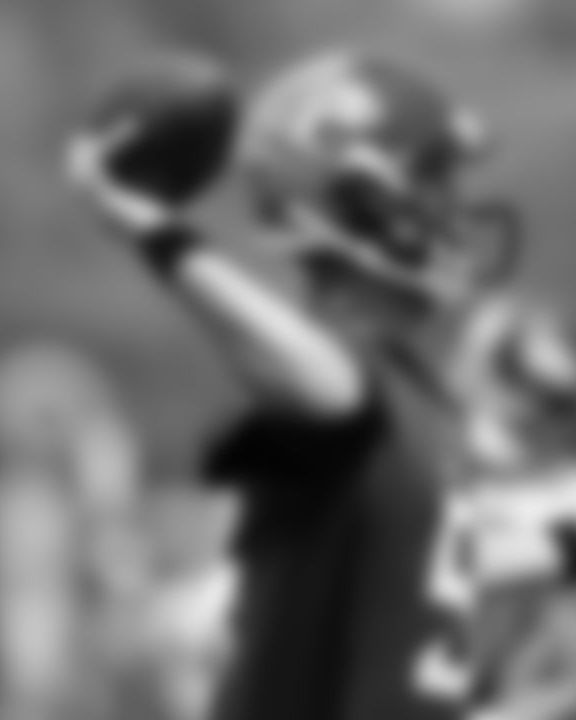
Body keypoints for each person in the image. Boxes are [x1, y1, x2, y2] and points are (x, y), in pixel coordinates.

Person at [65, 49, 516, 720]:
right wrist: (155, 233)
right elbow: (335, 398)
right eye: (434, 180)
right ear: (359, 199)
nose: (452, 208)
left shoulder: (420, 401)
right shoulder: (349, 401)